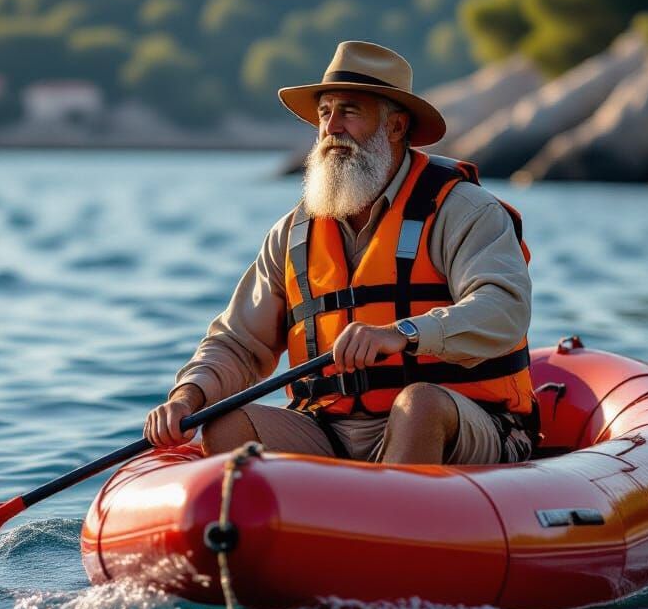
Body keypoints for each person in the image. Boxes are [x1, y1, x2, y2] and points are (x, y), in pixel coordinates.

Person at [145, 40, 536, 465]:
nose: (332, 128)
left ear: (396, 127)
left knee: (418, 404)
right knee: (226, 424)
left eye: (349, 112)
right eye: (325, 113)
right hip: (330, 429)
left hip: (462, 421)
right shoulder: (292, 234)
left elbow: (505, 309)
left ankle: (394, 503)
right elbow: (238, 342)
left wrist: (403, 333)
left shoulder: (466, 211)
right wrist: (187, 397)